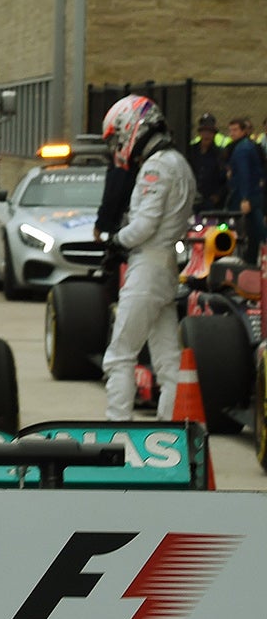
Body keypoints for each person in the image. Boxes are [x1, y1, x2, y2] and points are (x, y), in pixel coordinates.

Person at [99, 96, 192, 422]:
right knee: (169, 362)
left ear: (132, 127)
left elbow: (144, 225)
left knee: (119, 355)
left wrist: (115, 240)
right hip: (167, 267)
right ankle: (171, 430)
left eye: (116, 138)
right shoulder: (179, 162)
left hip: (147, 266)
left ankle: (117, 428)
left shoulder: (155, 166)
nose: (117, 146)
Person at [226, 116, 264, 259]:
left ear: (243, 131)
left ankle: (250, 259)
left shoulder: (242, 149)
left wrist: (245, 198)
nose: (232, 133)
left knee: (255, 230)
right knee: (255, 231)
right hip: (252, 194)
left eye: (235, 130)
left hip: (246, 196)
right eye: (230, 130)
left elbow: (244, 174)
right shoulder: (247, 146)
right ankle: (252, 258)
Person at [187, 113, 229, 211]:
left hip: (212, 203)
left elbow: (225, 180)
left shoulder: (220, 154)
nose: (207, 135)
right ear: (200, 133)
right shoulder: (191, 151)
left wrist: (218, 196)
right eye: (204, 132)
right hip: (192, 200)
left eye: (210, 132)